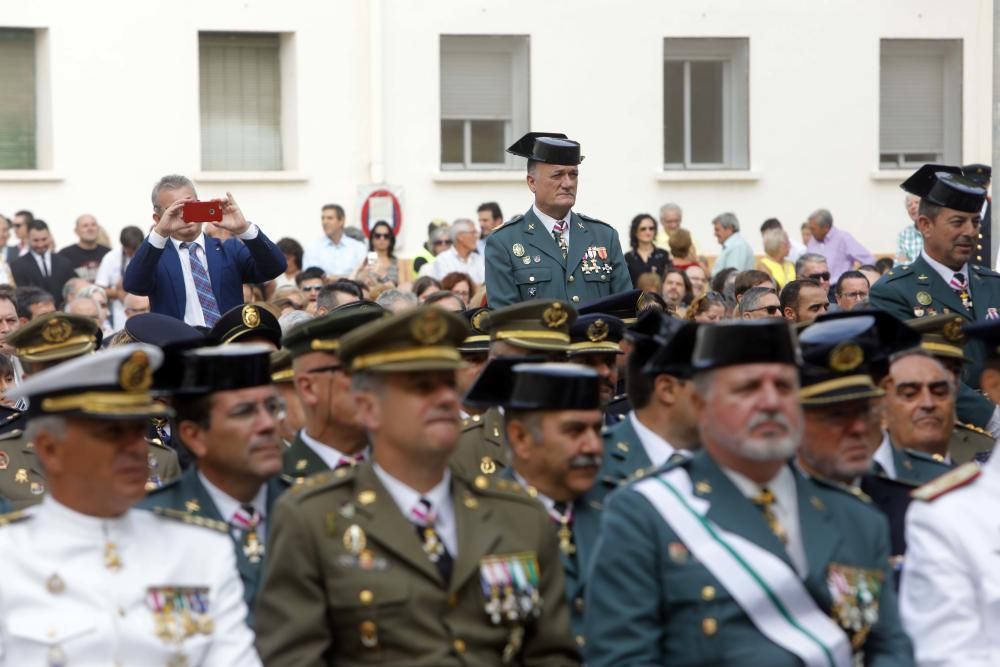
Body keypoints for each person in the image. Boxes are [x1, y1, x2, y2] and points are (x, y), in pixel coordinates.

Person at [254, 307, 580, 665]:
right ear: (368, 408)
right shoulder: (311, 519)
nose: (444, 398)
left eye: (446, 382)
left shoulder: (518, 514)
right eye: (420, 386)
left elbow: (551, 653)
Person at [584, 319, 913, 666]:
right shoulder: (645, 515)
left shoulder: (857, 518)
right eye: (748, 388)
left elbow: (889, 649)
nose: (770, 402)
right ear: (699, 404)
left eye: (784, 387)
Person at [0, 344, 261, 665]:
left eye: (138, 431)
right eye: (111, 433)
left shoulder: (201, 549)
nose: (137, 449)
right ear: (50, 449)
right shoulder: (9, 556)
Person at [138, 343, 288, 626]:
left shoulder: (310, 508)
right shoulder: (151, 524)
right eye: (244, 412)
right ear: (194, 436)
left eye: (272, 407)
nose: (268, 424)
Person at [0, 311, 183, 508]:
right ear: (28, 380)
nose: (67, 380)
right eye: (52, 370)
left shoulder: (156, 457)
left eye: (78, 367)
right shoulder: (7, 453)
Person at [869, 164, 1000, 435]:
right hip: (945, 433)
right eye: (958, 222)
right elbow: (917, 368)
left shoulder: (993, 284)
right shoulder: (893, 291)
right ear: (925, 225)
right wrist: (991, 417)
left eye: (975, 222)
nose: (970, 231)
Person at [494, 363, 605, 645]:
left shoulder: (620, 510)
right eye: (574, 431)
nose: (592, 446)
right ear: (521, 438)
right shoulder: (481, 519)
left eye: (597, 429)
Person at [485, 132, 630, 307]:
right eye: (557, 175)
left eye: (573, 174)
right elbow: (505, 320)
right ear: (532, 183)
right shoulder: (504, 242)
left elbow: (626, 310)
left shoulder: (605, 237)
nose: (568, 183)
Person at [124, 174, 286, 326]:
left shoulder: (228, 249)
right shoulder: (155, 257)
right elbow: (134, 285)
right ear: (158, 218)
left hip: (227, 344)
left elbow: (275, 267)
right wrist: (159, 234)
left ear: (200, 205)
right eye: (174, 210)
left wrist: (244, 229)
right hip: (179, 348)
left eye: (190, 207)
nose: (184, 216)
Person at [453, 299, 576, 481]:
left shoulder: (586, 439)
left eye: (559, 359)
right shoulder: (459, 447)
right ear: (495, 366)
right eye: (536, 359)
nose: (551, 369)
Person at [280, 303, 386, 482]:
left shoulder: (407, 466)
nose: (375, 383)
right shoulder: (275, 482)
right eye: (354, 371)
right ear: (308, 388)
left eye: (379, 370)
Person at [600, 314, 700, 485]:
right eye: (704, 384)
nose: (713, 396)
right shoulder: (595, 463)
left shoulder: (715, 459)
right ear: (667, 390)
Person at [11, 220, 76, 309]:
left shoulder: (64, 262)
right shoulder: (17, 265)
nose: (40, 244)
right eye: (36, 240)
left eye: (44, 239)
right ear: (28, 238)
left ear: (50, 237)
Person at [805, 209, 876, 283]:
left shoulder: (843, 238)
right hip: (814, 286)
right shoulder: (812, 241)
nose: (811, 232)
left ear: (825, 228)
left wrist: (856, 278)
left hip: (836, 287)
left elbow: (869, 259)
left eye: (813, 229)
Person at [95, 225, 144, 330]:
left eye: (136, 249)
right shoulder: (110, 258)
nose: (132, 253)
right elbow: (99, 290)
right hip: (118, 312)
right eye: (129, 249)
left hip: (143, 309)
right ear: (123, 245)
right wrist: (119, 291)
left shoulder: (148, 255)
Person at [301, 204, 366, 278]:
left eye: (329, 218)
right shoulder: (312, 248)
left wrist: (335, 279)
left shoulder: (358, 247)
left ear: (341, 221)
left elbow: (362, 275)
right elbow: (309, 277)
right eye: (323, 218)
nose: (325, 222)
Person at [419, 218, 485, 286]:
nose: (477, 236)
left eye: (447, 242)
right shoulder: (442, 260)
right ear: (460, 236)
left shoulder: (479, 259)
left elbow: (487, 287)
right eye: (473, 233)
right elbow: (448, 288)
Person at [353, 220, 413, 290]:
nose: (382, 239)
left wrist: (383, 275)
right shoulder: (365, 261)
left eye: (386, 236)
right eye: (377, 236)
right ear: (372, 238)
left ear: (391, 239)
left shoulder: (398, 262)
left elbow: (404, 290)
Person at [57, 213, 110, 282]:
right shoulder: (65, 255)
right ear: (76, 231)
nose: (90, 229)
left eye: (93, 225)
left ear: (98, 229)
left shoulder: (108, 253)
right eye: (85, 226)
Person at [624, 213, 671, 286]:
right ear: (635, 232)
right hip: (635, 297)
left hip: (658, 296)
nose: (648, 232)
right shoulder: (628, 258)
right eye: (643, 229)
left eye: (651, 228)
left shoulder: (664, 255)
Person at [896, 194, 924, 264]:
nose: (913, 207)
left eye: (917, 202)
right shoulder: (904, 234)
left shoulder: (936, 230)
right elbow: (899, 264)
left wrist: (909, 263)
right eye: (909, 205)